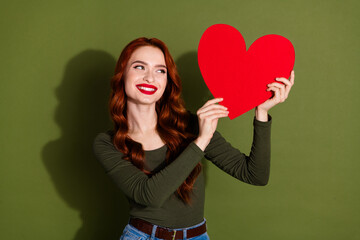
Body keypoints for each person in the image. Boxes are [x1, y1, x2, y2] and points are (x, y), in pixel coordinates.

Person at [93, 37, 295, 240]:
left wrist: (261, 112)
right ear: (122, 74)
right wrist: (201, 141)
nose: (150, 78)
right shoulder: (107, 143)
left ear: (167, 81)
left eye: (160, 70)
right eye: (139, 67)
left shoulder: (189, 124)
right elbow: (149, 195)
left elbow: (255, 175)